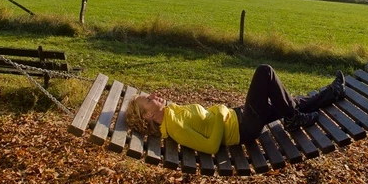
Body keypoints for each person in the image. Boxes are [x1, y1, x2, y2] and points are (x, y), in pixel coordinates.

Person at [125, 65, 346, 154]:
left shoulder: (172, 113)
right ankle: (292, 119)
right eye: (148, 99)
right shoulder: (175, 128)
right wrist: (220, 116)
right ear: (148, 114)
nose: (154, 95)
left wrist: (219, 114)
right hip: (243, 127)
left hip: (240, 117)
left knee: (289, 102)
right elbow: (211, 147)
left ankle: (332, 92)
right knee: (264, 72)